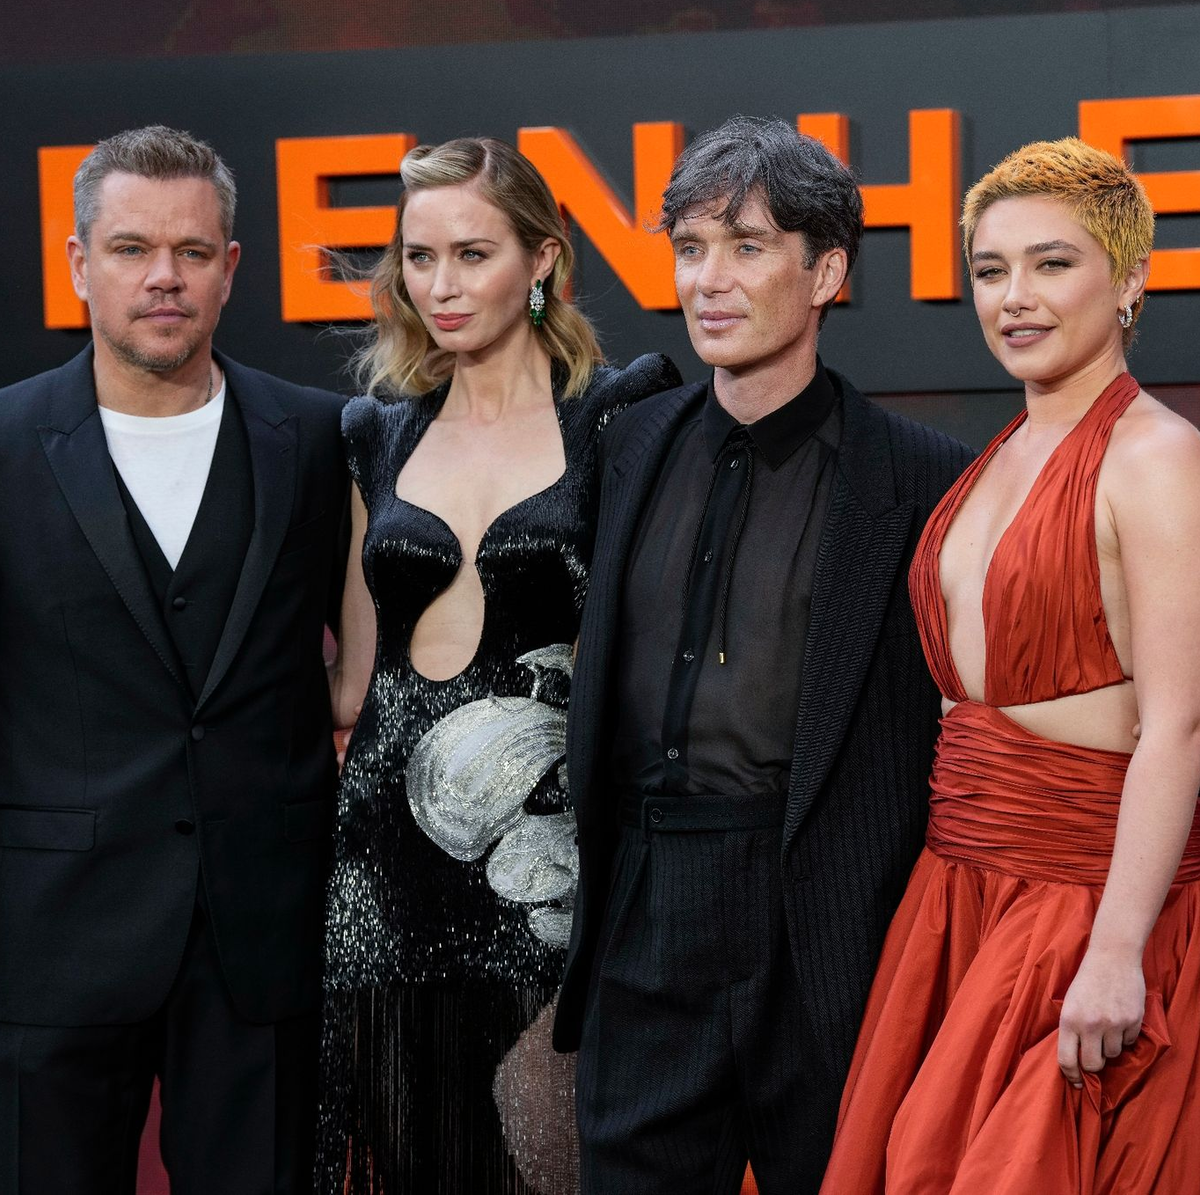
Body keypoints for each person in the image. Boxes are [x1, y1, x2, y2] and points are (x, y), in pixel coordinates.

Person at [551, 116, 972, 1195]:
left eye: (745, 245)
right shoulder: (630, 443)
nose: (709, 280)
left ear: (826, 269)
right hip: (646, 907)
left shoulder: (922, 479)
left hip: (826, 929)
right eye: (690, 248)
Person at [821, 138, 1200, 1193]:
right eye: (991, 271)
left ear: (1130, 280)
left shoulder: (1158, 458)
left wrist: (1119, 948)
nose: (1014, 298)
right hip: (956, 901)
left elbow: (1181, 726)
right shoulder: (993, 454)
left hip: (1086, 904)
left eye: (1052, 263)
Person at [315, 136, 679, 1194]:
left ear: (545, 261)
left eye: (472, 254)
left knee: (544, 1166)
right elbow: (354, 679)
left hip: (546, 868)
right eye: (418, 258)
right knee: (412, 1161)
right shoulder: (372, 434)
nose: (440, 285)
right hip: (379, 876)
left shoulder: (619, 416)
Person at [0, 126, 348, 1194]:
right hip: (49, 941)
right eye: (131, 248)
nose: (163, 277)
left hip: (262, 938)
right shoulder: (7, 443)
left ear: (231, 268)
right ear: (76, 264)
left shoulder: (319, 438)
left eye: (193, 252)